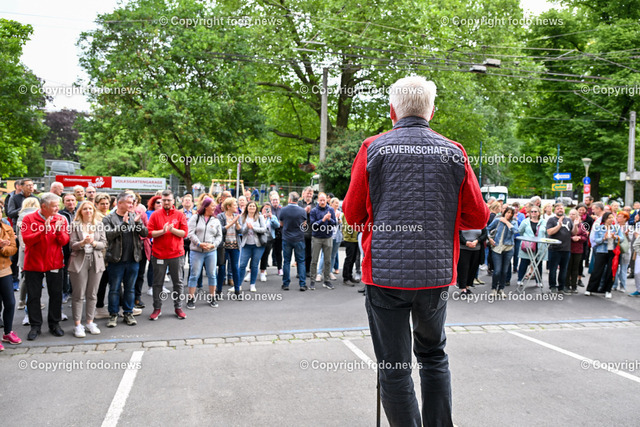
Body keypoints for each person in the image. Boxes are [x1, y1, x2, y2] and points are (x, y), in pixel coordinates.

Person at [344, 76, 488, 426]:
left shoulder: (373, 148)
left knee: (394, 367)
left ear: (392, 110)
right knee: (433, 355)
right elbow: (478, 216)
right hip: (435, 274)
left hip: (385, 275)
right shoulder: (453, 151)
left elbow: (352, 214)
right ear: (431, 111)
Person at [22, 192, 70, 340]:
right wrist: (43, 230)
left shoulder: (61, 219)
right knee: (33, 296)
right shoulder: (29, 219)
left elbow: (64, 241)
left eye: (58, 206)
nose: (57, 209)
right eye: (54, 206)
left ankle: (54, 324)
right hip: (33, 263)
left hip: (54, 263)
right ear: (44, 206)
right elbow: (27, 240)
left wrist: (58, 232)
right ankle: (35, 326)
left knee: (56, 295)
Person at [103, 193, 148, 327]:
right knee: (114, 289)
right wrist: (123, 224)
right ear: (119, 203)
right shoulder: (109, 218)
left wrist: (138, 223)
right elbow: (108, 235)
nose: (131, 205)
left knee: (130, 289)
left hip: (133, 259)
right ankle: (113, 314)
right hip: (116, 260)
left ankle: (128, 313)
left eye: (132, 202)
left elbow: (145, 233)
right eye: (128, 202)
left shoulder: (135, 216)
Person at [147, 190, 188, 320]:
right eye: (163, 200)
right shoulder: (155, 215)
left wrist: (172, 229)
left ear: (173, 201)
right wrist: (162, 231)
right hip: (159, 254)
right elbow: (149, 233)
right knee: (157, 283)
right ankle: (157, 308)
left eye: (168, 200)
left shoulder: (179, 215)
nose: (166, 202)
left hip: (176, 254)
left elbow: (184, 233)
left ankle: (178, 308)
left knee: (178, 283)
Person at [68, 201, 107, 337]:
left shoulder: (99, 224)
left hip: (96, 261)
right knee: (78, 295)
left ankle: (90, 322)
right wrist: (83, 243)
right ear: (81, 211)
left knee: (92, 294)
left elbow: (104, 243)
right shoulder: (74, 225)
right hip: (79, 261)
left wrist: (94, 243)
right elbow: (72, 245)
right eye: (85, 209)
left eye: (90, 208)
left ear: (94, 211)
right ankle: (78, 325)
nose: (88, 211)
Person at [186, 197, 222, 309]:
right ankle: (191, 298)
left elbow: (219, 236)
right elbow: (190, 233)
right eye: (212, 205)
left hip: (211, 252)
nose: (215, 207)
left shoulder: (216, 220)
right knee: (194, 275)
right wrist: (199, 244)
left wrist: (213, 245)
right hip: (196, 251)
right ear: (206, 206)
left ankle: (212, 297)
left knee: (212, 274)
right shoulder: (195, 218)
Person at [586, 212, 623, 298]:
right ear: (605, 219)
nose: (611, 219)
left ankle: (607, 290)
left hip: (612, 251)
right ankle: (590, 289)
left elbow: (622, 239)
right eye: (609, 217)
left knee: (610, 271)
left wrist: (615, 237)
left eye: (612, 217)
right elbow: (596, 240)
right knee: (597, 270)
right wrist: (604, 238)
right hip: (601, 251)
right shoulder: (599, 228)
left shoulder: (616, 228)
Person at [15, 198, 40, 315]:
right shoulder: (37, 216)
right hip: (35, 251)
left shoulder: (21, 216)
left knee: (25, 277)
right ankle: (34, 301)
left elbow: (19, 236)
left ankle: (21, 300)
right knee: (36, 278)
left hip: (24, 251)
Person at [236, 201, 267, 293]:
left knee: (254, 265)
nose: (252, 207)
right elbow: (241, 231)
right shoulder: (242, 217)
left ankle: (252, 284)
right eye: (250, 206)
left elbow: (264, 229)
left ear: (256, 208)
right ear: (247, 207)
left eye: (253, 206)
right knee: (242, 265)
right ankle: (238, 285)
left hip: (258, 245)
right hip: (246, 245)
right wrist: (247, 227)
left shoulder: (260, 217)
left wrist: (253, 228)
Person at [487, 206, 518, 297]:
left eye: (511, 213)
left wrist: (507, 222)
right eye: (508, 212)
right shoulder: (497, 220)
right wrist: (489, 239)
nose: (509, 214)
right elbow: (487, 229)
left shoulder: (514, 222)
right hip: (497, 248)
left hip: (508, 249)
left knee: (504, 271)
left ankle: (501, 289)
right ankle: (493, 288)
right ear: (504, 212)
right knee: (497, 271)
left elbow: (515, 231)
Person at [279, 192, 308, 291]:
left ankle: (286, 284)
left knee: (286, 261)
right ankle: (302, 284)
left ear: (290, 199)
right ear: (297, 200)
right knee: (301, 261)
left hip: (287, 238)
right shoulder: (302, 211)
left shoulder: (283, 210)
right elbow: (304, 224)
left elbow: (281, 224)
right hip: (299, 238)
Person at [0, 208, 20, 350]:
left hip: (4, 270)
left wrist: (3, 249)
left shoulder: (7, 228)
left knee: (10, 302)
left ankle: (8, 333)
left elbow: (13, 249)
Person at [308, 193, 337, 290]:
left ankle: (327, 281)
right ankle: (312, 281)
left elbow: (335, 223)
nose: (322, 202)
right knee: (314, 260)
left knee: (327, 261)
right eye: (320, 200)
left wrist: (330, 219)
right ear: (318, 200)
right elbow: (313, 225)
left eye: (324, 200)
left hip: (328, 237)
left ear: (326, 200)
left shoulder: (330, 210)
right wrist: (323, 220)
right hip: (317, 238)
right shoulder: (314, 211)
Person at [546, 203, 575, 294]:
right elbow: (549, 232)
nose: (560, 210)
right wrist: (559, 225)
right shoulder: (551, 220)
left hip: (566, 248)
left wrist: (576, 225)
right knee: (553, 269)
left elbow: (573, 232)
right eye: (558, 208)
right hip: (554, 249)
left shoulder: (568, 220)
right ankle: (553, 286)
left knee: (564, 269)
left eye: (561, 208)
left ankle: (561, 287)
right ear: (555, 210)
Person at [516, 206, 546, 287]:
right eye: (532, 211)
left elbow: (546, 233)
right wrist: (526, 239)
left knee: (538, 263)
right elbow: (520, 231)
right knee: (524, 262)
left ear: (539, 213)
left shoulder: (543, 222)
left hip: (539, 245)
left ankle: (538, 281)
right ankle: (520, 279)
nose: (533, 213)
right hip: (527, 245)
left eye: (535, 211)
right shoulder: (525, 221)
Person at [216, 197, 241, 296]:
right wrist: (232, 223)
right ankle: (219, 290)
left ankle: (237, 290)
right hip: (223, 246)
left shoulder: (236, 216)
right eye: (235, 205)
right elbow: (220, 230)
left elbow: (240, 231)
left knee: (235, 268)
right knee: (222, 268)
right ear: (228, 206)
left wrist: (237, 223)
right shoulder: (220, 216)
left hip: (235, 246)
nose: (236, 206)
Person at [317, 197, 342, 281]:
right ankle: (319, 273)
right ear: (331, 204)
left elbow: (341, 225)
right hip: (328, 236)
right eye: (336, 203)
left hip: (337, 237)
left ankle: (329, 272)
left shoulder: (340, 213)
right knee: (324, 255)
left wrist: (338, 219)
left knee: (333, 255)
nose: (337, 204)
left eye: (338, 203)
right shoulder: (327, 212)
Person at [457, 228, 487, 294]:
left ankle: (467, 286)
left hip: (476, 249)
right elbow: (458, 234)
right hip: (463, 249)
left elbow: (485, 235)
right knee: (463, 269)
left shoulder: (481, 224)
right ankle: (463, 288)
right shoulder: (461, 224)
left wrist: (477, 240)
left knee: (473, 268)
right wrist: (466, 242)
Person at [567, 209, 588, 294]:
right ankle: (566, 285)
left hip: (578, 249)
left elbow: (585, 236)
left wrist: (579, 238)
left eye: (573, 214)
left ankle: (574, 286)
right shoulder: (567, 224)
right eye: (570, 214)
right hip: (568, 248)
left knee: (575, 268)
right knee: (568, 267)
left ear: (577, 216)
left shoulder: (581, 225)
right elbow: (563, 236)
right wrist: (571, 238)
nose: (571, 215)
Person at [258, 202, 280, 282]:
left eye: (268, 209)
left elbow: (277, 225)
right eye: (265, 208)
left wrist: (271, 217)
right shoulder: (258, 216)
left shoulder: (273, 217)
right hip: (259, 238)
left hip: (269, 239)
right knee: (256, 256)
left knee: (265, 256)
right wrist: (262, 218)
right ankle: (251, 272)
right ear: (262, 209)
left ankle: (263, 272)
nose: (266, 210)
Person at [298, 187, 316, 276]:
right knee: (300, 253)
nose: (309, 195)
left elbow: (317, 215)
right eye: (307, 193)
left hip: (311, 232)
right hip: (300, 232)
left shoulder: (315, 204)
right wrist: (304, 211)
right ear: (303, 194)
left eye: (310, 193)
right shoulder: (299, 204)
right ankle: (299, 271)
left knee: (309, 253)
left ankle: (307, 270)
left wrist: (310, 211)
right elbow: (296, 215)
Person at [612, 211, 631, 292]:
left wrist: (627, 235)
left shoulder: (629, 227)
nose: (617, 218)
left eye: (620, 216)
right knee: (615, 267)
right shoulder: (615, 226)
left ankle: (623, 286)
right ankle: (614, 284)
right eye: (618, 216)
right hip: (616, 249)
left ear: (625, 218)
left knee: (623, 269)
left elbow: (631, 240)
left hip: (625, 251)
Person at [268, 191, 283, 276]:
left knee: (278, 252)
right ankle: (263, 268)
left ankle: (280, 268)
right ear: (270, 200)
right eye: (273, 200)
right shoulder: (268, 209)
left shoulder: (282, 209)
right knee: (266, 251)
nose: (275, 201)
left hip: (279, 233)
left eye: (276, 200)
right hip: (269, 233)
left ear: (279, 200)